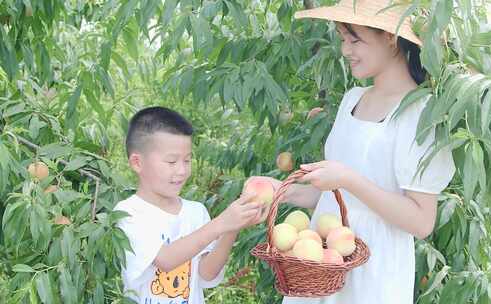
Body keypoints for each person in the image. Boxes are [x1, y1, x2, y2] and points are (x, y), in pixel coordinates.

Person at [247, 0, 455, 303]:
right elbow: (333, 196)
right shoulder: (352, 99)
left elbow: (422, 222)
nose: (346, 50)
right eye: (344, 39)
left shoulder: (420, 112)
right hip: (322, 260)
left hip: (375, 269)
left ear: (391, 38)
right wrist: (281, 191)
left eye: (354, 39)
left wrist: (348, 178)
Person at [115, 106, 263, 304]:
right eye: (171, 161)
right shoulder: (129, 213)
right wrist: (222, 222)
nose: (182, 170)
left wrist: (231, 228)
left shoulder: (196, 211)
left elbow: (207, 273)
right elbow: (165, 259)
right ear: (137, 163)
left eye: (187, 160)